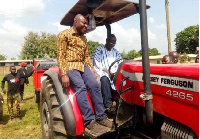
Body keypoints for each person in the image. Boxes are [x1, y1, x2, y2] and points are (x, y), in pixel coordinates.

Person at [57, 14, 113, 136]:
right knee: (80, 88)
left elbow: (86, 56)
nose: (86, 26)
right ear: (76, 22)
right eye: (84, 23)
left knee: (94, 85)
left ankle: (101, 116)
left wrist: (92, 69)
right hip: (70, 65)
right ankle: (89, 122)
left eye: (87, 23)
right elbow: (60, 55)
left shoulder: (84, 38)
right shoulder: (64, 35)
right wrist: (63, 74)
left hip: (83, 65)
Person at [92, 34, 122, 110]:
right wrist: (108, 72)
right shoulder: (99, 49)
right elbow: (97, 62)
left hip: (114, 72)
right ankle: (108, 104)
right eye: (111, 42)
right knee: (105, 78)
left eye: (114, 43)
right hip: (101, 71)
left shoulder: (116, 51)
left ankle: (121, 101)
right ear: (107, 41)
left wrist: (117, 72)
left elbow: (120, 61)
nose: (113, 45)